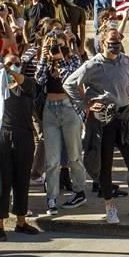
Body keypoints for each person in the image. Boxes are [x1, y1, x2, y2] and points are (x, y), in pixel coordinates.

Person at [64, 28, 129, 224]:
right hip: (102, 118)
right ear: (103, 43)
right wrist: (85, 104)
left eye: (117, 41)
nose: (115, 45)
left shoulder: (127, 61)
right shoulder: (93, 64)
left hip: (123, 116)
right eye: (111, 42)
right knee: (105, 164)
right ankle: (109, 207)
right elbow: (69, 83)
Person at [0, 52, 40, 240]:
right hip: (0, 136)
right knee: (1, 180)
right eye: (10, 63)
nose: (14, 66)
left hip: (23, 136)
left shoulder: (28, 84)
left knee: (22, 180)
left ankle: (21, 221)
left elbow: (26, 85)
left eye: (17, 63)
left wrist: (11, 71)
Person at [35, 31, 87, 215]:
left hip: (68, 108)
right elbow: (39, 79)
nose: (56, 48)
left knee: (74, 155)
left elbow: (73, 78)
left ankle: (79, 190)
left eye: (59, 44)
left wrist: (62, 58)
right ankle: (51, 197)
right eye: (53, 45)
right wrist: (44, 56)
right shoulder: (46, 61)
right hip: (50, 109)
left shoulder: (72, 60)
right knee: (52, 159)